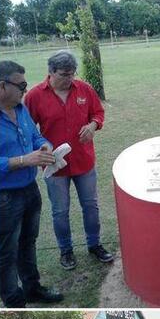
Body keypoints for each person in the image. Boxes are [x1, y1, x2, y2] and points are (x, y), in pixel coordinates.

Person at [24, 50, 112, 270]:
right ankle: (66, 251)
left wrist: (92, 126)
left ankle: (95, 245)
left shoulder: (84, 89)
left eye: (72, 74)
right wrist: (41, 147)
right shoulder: (35, 96)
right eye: (64, 74)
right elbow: (27, 131)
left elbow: (98, 113)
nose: (69, 79)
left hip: (84, 161)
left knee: (90, 206)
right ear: (51, 72)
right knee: (60, 211)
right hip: (54, 166)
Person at [0, 60, 63, 307]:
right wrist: (24, 160)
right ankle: (13, 302)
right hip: (2, 197)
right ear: (2, 85)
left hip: (30, 190)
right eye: (21, 85)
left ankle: (32, 288)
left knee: (28, 242)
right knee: (5, 252)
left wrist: (45, 146)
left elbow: (36, 136)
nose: (26, 89)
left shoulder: (21, 109)